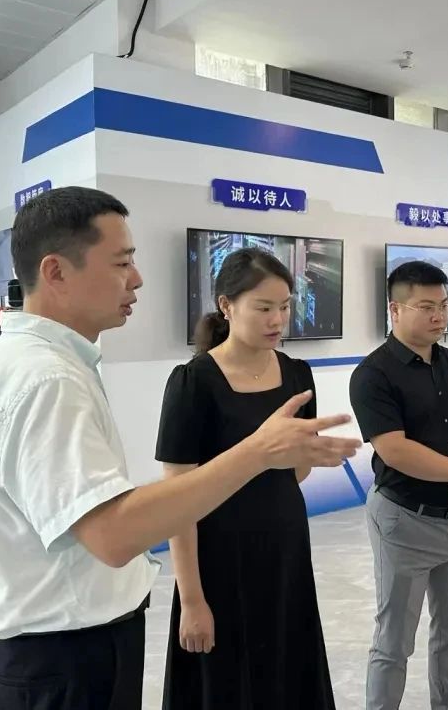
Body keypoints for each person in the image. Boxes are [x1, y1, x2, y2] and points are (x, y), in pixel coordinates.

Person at [0, 187, 361, 710]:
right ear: (56, 272)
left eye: (284, 307)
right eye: (122, 263)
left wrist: (275, 456)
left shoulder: (43, 365)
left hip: (77, 645)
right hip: (62, 655)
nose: (137, 278)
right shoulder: (45, 380)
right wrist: (257, 452)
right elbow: (114, 533)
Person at [155, 248, 336, 709]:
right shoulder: (193, 383)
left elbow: (297, 471)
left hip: (285, 552)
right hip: (218, 560)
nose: (278, 319)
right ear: (227, 305)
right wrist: (192, 600)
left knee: (286, 673)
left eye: (285, 306)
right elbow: (176, 502)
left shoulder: (297, 375)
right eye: (264, 307)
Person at [349, 261, 448, 710]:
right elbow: (395, 450)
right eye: (426, 307)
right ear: (395, 310)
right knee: (394, 640)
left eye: (444, 305)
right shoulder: (373, 374)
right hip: (404, 520)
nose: (440, 316)